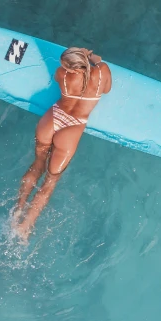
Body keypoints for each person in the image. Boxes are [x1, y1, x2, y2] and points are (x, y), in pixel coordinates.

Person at [13, 47, 112, 240]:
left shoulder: (62, 75)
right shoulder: (102, 72)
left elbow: (62, 75)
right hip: (73, 126)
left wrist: (76, 62)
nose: (61, 67)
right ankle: (25, 226)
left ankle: (18, 210)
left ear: (72, 69)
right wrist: (94, 59)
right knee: (50, 182)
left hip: (53, 118)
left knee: (38, 163)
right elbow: (107, 89)